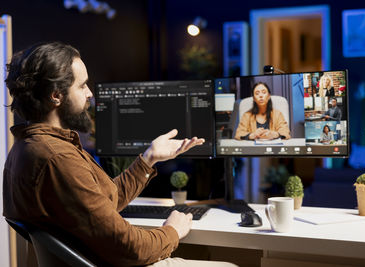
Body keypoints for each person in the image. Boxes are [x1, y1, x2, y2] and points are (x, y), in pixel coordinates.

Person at [3, 42, 237, 267]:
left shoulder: (28, 148)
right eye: (82, 86)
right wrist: (172, 231)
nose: (90, 94)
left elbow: (104, 202)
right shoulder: (57, 159)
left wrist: (149, 159)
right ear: (56, 95)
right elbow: (130, 247)